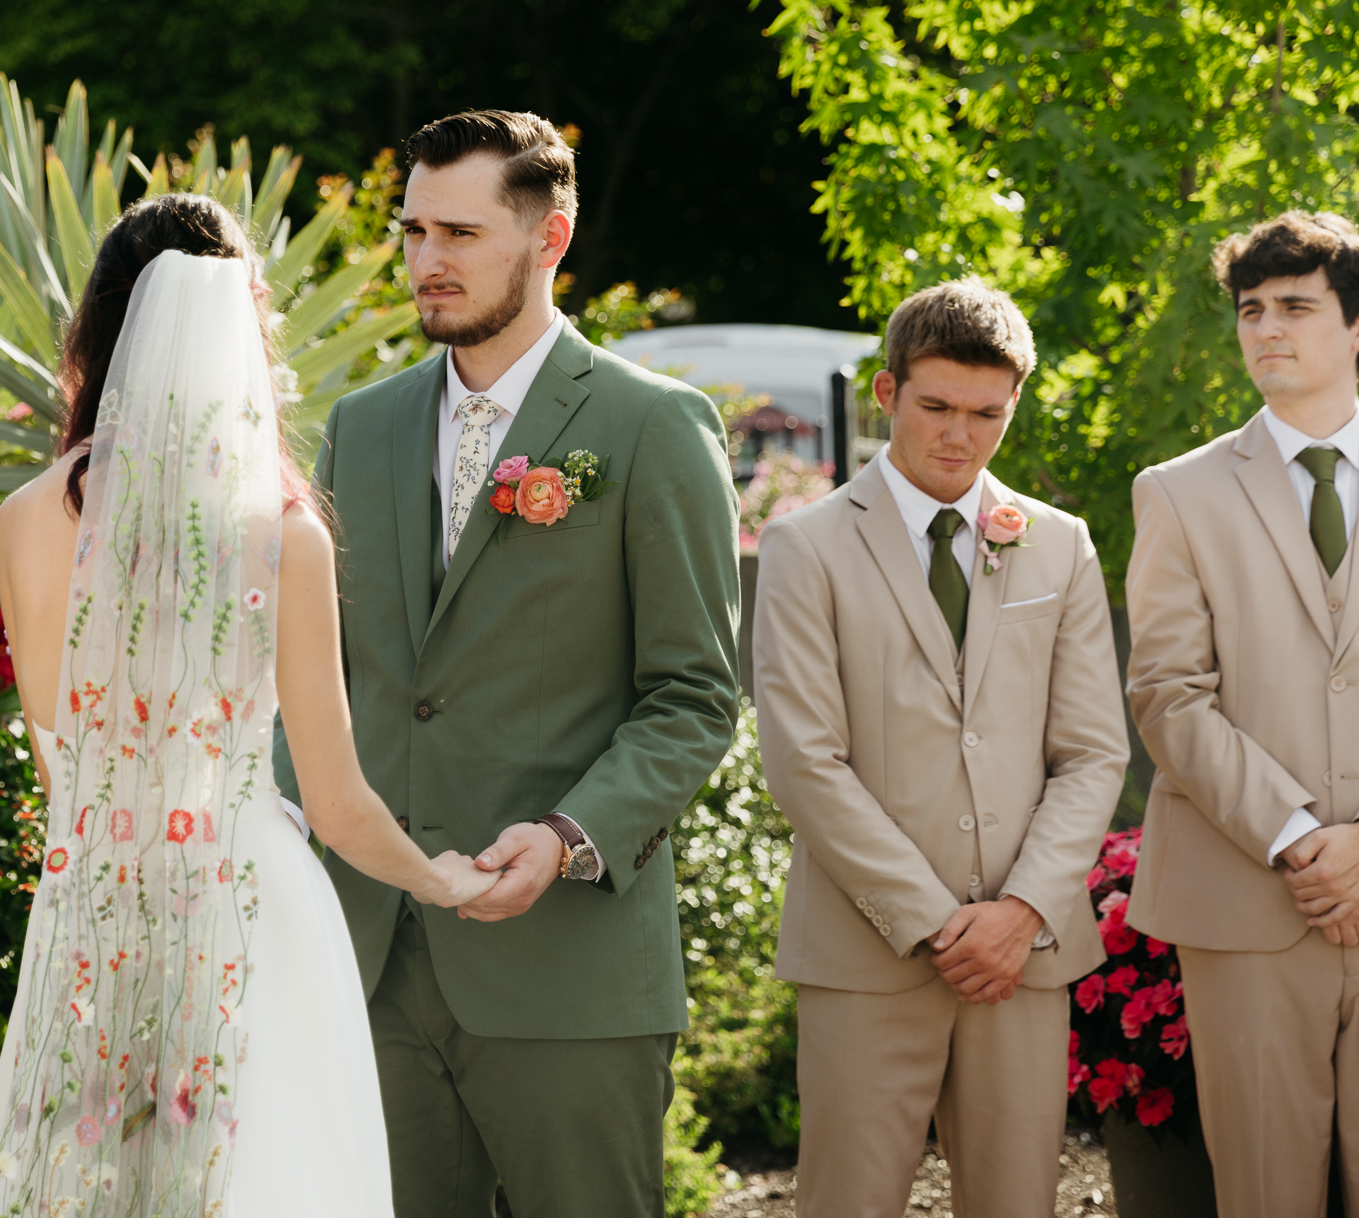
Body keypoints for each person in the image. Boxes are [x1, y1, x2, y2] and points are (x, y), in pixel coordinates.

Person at [0, 193, 497, 1216]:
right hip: (250, 904)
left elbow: (58, 753)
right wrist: (443, 880)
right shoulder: (281, 534)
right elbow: (338, 808)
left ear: (102, 326)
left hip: (92, 901)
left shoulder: (28, 515)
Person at [274, 110, 741, 1218]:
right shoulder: (361, 426)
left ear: (550, 239)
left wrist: (569, 839)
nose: (427, 260)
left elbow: (693, 693)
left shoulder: (651, 426)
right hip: (371, 963)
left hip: (566, 968)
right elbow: (320, 678)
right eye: (412, 232)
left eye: (460, 234)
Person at [752, 279, 1126, 1218]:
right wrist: (934, 920)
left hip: (1022, 952)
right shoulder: (807, 547)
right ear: (887, 393)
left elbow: (1091, 754)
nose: (959, 435)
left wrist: (1020, 911)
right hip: (867, 950)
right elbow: (804, 760)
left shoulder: (1060, 545)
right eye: (936, 407)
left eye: (986, 414)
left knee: (1016, 1203)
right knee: (849, 1201)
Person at [1125, 210, 1359, 1215]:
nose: (1265, 325)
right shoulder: (1177, 494)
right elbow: (1166, 695)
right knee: (1263, 1191)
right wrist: (1300, 835)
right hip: (1246, 892)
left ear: (1354, 327)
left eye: (1295, 306)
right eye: (1250, 308)